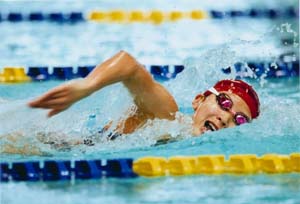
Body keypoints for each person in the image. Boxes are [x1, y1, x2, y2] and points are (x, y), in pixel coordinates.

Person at [28, 51, 260, 142]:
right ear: (198, 100)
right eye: (224, 102)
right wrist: (88, 85)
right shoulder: (168, 115)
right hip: (47, 141)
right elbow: (129, 66)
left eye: (239, 120)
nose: (225, 118)